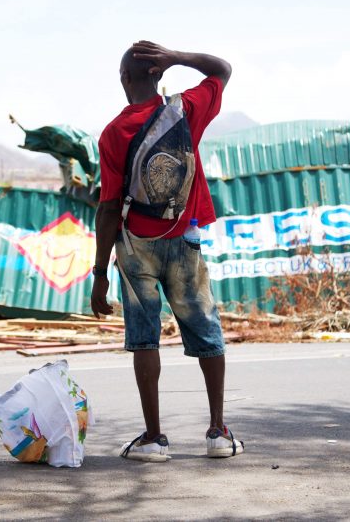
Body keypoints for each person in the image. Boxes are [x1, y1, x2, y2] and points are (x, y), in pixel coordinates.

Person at [90, 40, 244, 462]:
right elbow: (222, 68)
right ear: (158, 74)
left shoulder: (114, 132)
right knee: (205, 330)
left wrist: (99, 273)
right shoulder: (185, 110)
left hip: (136, 246)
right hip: (185, 239)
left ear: (124, 78)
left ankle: (154, 439)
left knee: (145, 339)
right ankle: (217, 432)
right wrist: (177, 57)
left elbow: (107, 209)